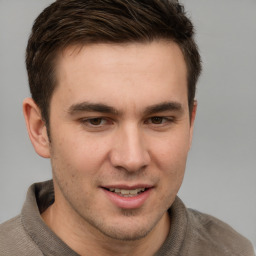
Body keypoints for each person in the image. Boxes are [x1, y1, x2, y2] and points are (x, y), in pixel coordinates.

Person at [0, 0, 254, 255]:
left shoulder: (234, 250)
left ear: (190, 125)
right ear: (40, 129)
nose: (132, 159)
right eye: (96, 121)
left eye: (158, 119)